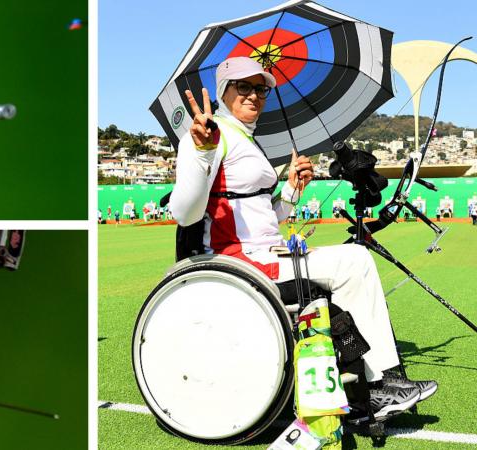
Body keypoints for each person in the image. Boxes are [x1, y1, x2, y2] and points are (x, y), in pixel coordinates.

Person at [168, 56, 436, 418]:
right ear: (222, 92)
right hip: (239, 262)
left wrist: (292, 189)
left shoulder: (246, 139)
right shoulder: (209, 134)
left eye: (260, 88)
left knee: (353, 259)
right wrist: (201, 152)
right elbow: (185, 214)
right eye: (242, 87)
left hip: (265, 251)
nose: (254, 95)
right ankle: (375, 386)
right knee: (354, 260)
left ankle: (378, 380)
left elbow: (264, 216)